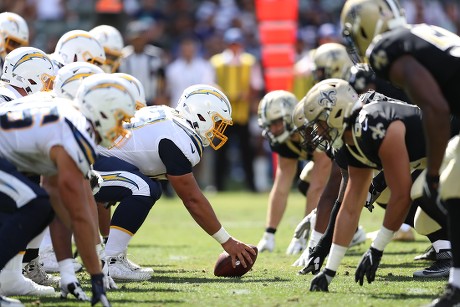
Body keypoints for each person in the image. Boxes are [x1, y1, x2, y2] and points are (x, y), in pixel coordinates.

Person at [340, 0, 460, 304]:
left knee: (440, 185)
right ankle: (457, 286)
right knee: (452, 185)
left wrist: (432, 170)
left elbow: (435, 107)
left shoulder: (387, 49)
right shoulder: (420, 31)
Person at [91, 84, 257, 281]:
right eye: (217, 122)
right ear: (201, 115)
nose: (218, 130)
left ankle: (111, 255)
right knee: (143, 188)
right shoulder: (179, 137)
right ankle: (111, 260)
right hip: (88, 163)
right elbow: (191, 199)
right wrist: (227, 241)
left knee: (146, 186)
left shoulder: (169, 118)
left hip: (94, 157)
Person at [0, 73, 136, 306]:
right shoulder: (77, 129)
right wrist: (96, 275)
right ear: (102, 109)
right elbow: (79, 214)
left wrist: (67, 273)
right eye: (119, 117)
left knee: (40, 203)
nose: (121, 127)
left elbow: (56, 199)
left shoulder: (68, 117)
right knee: (35, 205)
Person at [255, 90, 331, 254]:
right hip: (338, 164)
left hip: (358, 162)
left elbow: (318, 186)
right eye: (269, 125)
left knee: (317, 186)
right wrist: (269, 233)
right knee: (305, 184)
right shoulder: (283, 139)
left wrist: (302, 237)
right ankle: (350, 233)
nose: (273, 130)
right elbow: (281, 186)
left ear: (290, 116)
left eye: (276, 123)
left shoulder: (314, 127)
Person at [209, 27, 264, 192]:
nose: (234, 47)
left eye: (237, 43)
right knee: (220, 151)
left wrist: (245, 97)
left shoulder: (249, 61)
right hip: (222, 115)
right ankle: (218, 185)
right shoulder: (217, 62)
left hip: (242, 113)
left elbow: (256, 84)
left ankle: (251, 185)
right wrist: (228, 96)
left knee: (247, 151)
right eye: (232, 44)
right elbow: (210, 83)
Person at [119, 20, 167, 106]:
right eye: (136, 39)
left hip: (151, 100)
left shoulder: (155, 55)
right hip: (129, 101)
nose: (138, 42)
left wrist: (160, 95)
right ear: (130, 39)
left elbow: (161, 78)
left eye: (141, 38)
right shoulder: (123, 56)